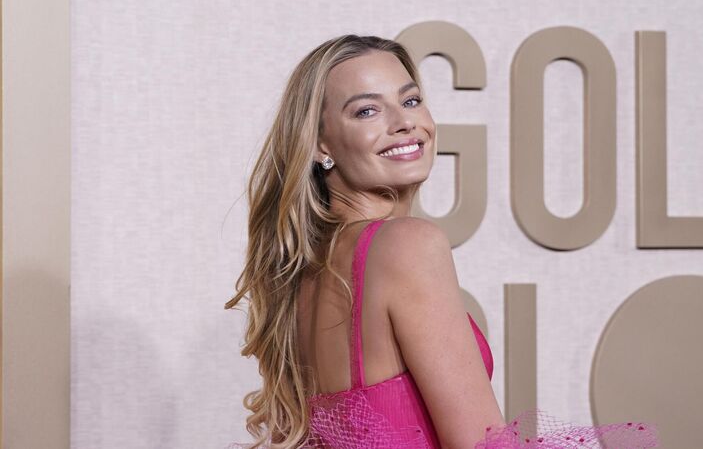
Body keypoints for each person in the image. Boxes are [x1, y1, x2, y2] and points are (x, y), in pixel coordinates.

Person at [225, 34, 659, 449]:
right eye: (367, 111)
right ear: (321, 145)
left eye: (411, 100)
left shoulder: (299, 273)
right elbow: (477, 443)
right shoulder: (407, 245)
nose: (404, 122)